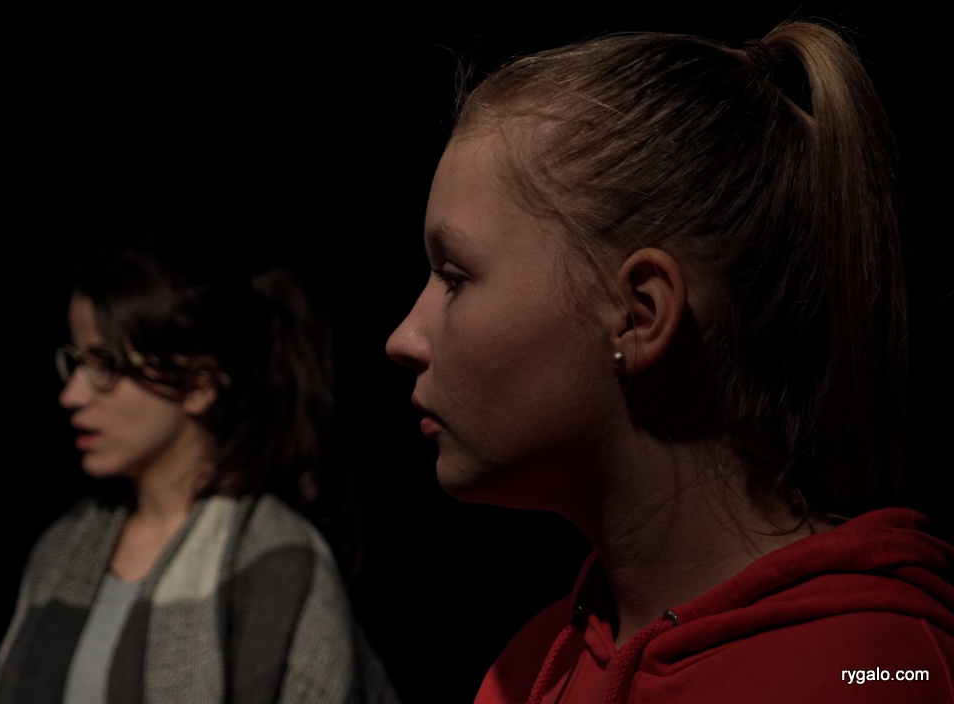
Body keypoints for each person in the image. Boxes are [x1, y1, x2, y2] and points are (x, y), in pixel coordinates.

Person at [386, 20, 952, 704]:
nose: (402, 339)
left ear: (639, 315)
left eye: (454, 277)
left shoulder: (878, 672)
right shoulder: (525, 669)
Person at [0, 241, 400, 703]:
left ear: (198, 385)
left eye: (105, 365)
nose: (72, 395)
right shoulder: (63, 548)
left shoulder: (275, 559)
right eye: (77, 363)